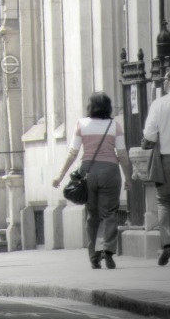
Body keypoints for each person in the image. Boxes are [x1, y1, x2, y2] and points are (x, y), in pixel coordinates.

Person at [52, 92, 131, 270]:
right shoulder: (114, 126)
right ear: (108, 107)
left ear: (90, 107)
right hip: (110, 171)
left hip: (87, 171)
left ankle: (94, 257)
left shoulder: (82, 124)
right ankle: (108, 251)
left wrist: (60, 175)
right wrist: (127, 177)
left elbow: (73, 153)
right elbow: (122, 154)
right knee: (109, 214)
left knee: (92, 215)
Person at [142, 67, 170, 266]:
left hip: (166, 158)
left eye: (166, 79)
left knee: (164, 201)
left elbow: (150, 134)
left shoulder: (159, 104)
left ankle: (167, 244)